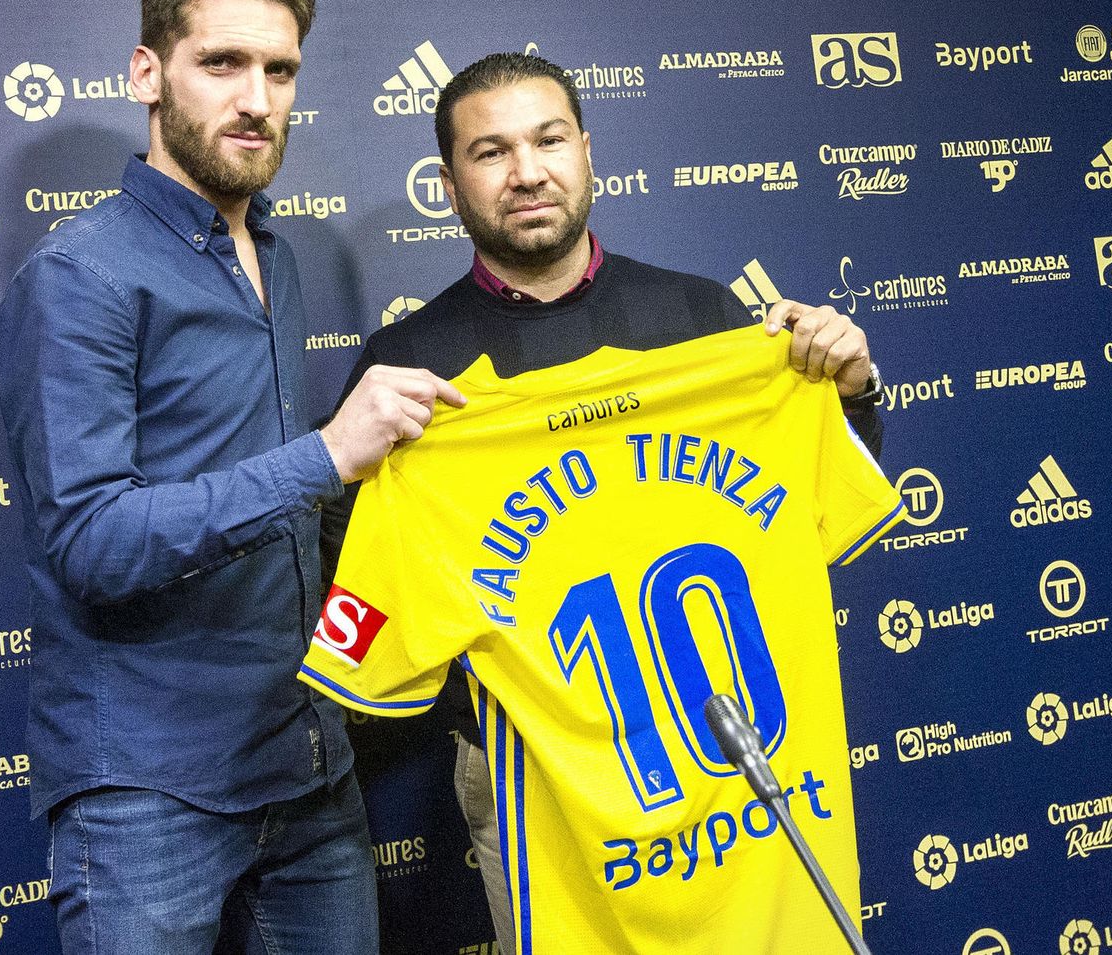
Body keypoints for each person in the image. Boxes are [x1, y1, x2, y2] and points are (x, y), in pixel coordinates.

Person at [319, 52, 886, 953]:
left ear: (588, 151)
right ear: (449, 183)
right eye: (490, 152)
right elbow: (356, 572)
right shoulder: (410, 365)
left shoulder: (706, 318)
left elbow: (802, 509)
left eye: (548, 140)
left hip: (743, 753)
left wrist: (848, 392)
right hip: (533, 769)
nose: (527, 172)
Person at [0, 0, 461, 955]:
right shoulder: (81, 277)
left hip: (306, 760)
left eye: (278, 70)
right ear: (147, 74)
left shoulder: (275, 256)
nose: (255, 98)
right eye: (221, 63)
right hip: (147, 793)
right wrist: (328, 456)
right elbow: (94, 545)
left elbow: (276, 503)